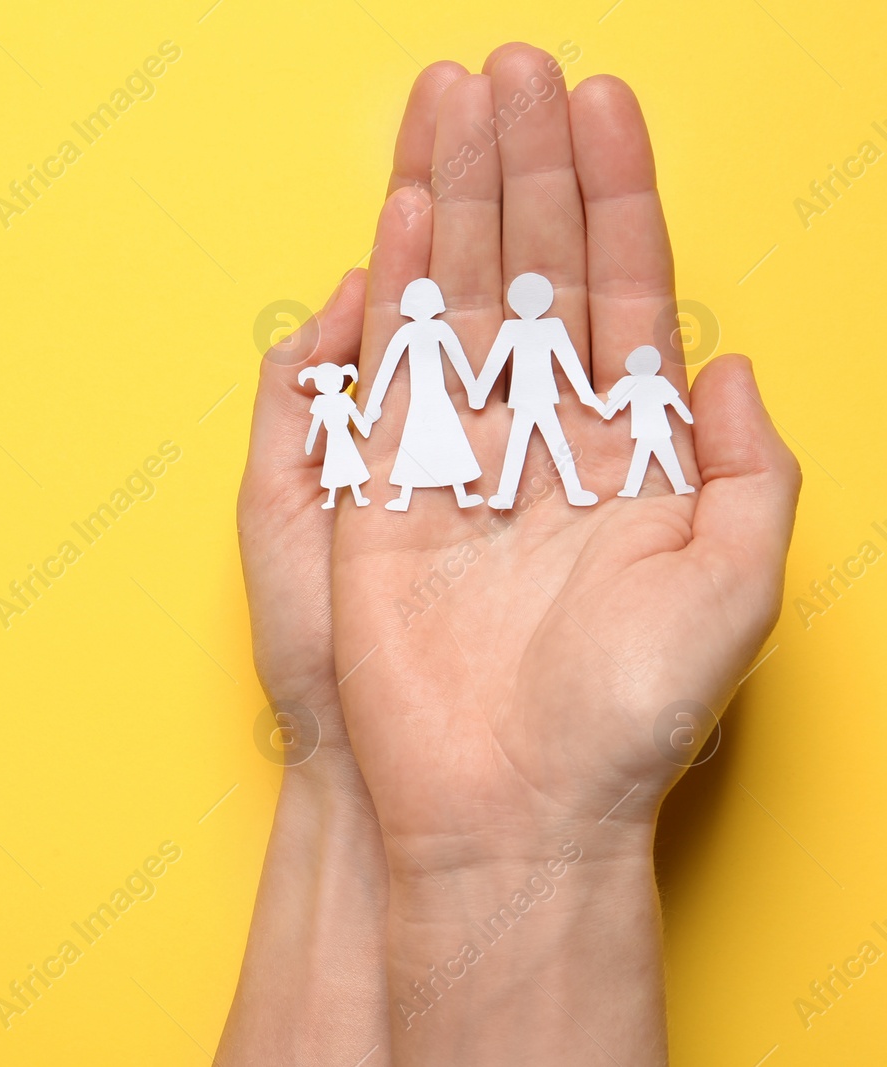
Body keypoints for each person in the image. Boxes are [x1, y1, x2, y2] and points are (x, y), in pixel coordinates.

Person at [223, 44, 799, 1067]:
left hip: (528, 425)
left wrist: (486, 827)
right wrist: (353, 726)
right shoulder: (470, 357)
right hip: (507, 428)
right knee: (516, 450)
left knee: (528, 451)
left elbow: (453, 358)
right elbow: (441, 356)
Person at [471, 271, 605, 508]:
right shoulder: (512, 328)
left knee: (541, 443)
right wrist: (479, 394)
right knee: (534, 443)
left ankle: (517, 495)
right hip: (526, 397)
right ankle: (508, 496)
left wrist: (587, 396)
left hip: (538, 396)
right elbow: (495, 361)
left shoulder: (550, 327)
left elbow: (569, 361)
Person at [362, 278, 483, 511]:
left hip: (435, 395)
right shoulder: (412, 331)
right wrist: (374, 404)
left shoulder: (428, 330)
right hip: (424, 396)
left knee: (441, 438)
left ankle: (456, 494)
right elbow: (386, 368)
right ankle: (408, 497)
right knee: (430, 438)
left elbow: (460, 361)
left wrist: (473, 389)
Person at [602, 344, 697, 496]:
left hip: (645, 429)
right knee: (665, 458)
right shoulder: (656, 382)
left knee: (643, 459)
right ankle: (679, 486)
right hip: (658, 429)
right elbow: (675, 401)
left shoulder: (630, 383)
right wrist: (687, 416)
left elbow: (615, 403)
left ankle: (632, 490)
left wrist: (607, 413)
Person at [300, 362, 373, 507]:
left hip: (344, 436)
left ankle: (358, 498)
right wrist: (309, 442)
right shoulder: (320, 401)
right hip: (333, 438)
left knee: (350, 463)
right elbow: (316, 423)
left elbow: (356, 416)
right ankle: (330, 500)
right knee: (333, 466)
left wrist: (365, 428)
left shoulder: (343, 399)